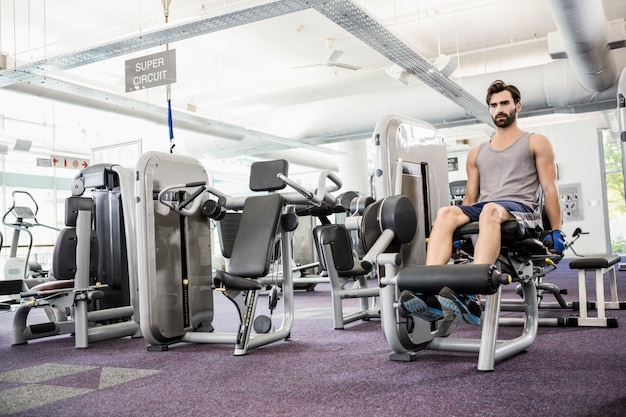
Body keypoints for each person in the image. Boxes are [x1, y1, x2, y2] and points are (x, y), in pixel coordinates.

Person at [399, 79, 564, 326]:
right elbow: (470, 198)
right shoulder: (476, 152)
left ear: (517, 107)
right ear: (489, 109)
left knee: (490, 210)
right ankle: (429, 292)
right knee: (446, 213)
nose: (499, 109)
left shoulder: (535, 141)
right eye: (494, 105)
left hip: (522, 210)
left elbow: (550, 189)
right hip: (488, 209)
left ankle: (472, 295)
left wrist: (557, 229)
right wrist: (455, 233)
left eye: (505, 103)